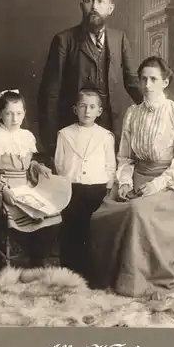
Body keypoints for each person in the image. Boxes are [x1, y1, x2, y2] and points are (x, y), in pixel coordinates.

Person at [87, 57, 174, 297]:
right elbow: (125, 157)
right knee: (103, 212)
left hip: (167, 185)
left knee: (137, 210)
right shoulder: (133, 113)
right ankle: (112, 274)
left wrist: (156, 185)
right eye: (143, 79)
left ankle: (136, 280)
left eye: (154, 79)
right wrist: (126, 182)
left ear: (165, 82)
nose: (147, 85)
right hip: (136, 178)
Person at [37, 0, 142, 165]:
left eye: (101, 2)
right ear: (81, 6)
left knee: (107, 177)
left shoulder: (119, 39)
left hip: (110, 126)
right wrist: (51, 142)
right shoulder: (64, 40)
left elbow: (133, 82)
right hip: (74, 124)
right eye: (89, 1)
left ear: (110, 8)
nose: (94, 7)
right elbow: (50, 93)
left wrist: (160, 107)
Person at [0, 89, 61, 268]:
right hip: (3, 189)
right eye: (9, 113)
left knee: (50, 211)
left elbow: (27, 165)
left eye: (18, 113)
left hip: (25, 186)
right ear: (0, 114)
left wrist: (38, 167)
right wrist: (4, 190)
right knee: (19, 212)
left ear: (24, 113)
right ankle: (6, 261)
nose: (14, 118)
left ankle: (38, 259)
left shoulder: (26, 136)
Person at [54, 88, 116, 277]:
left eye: (92, 107)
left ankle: (93, 275)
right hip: (73, 189)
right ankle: (70, 273)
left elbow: (110, 165)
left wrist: (108, 186)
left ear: (99, 111)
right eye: (83, 106)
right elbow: (59, 163)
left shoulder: (105, 136)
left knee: (94, 232)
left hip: (97, 189)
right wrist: (67, 181)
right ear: (75, 109)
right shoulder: (64, 134)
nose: (87, 111)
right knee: (72, 231)